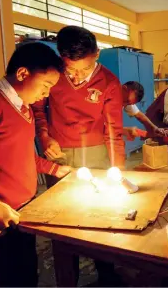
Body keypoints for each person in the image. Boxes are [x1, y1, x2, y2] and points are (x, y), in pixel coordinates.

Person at [0, 42, 70, 287]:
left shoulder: (24, 108)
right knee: (1, 278)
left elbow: (16, 153)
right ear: (22, 74)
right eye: (46, 85)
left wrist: (55, 169)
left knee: (26, 275)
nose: (47, 93)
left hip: (21, 212)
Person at [31, 25, 124, 286]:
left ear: (98, 54)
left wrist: (119, 170)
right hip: (58, 154)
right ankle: (66, 278)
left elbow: (114, 131)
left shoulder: (109, 83)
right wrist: (45, 137)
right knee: (61, 220)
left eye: (85, 68)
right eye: (71, 69)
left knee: (101, 215)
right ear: (62, 58)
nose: (77, 76)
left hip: (96, 154)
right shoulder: (52, 75)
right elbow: (37, 110)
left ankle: (106, 273)